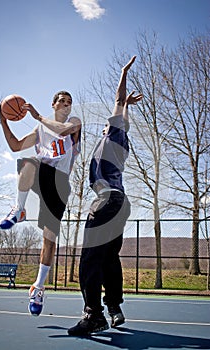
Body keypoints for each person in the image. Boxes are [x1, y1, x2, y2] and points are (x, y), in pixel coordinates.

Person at [68, 56, 143, 336]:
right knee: (109, 258)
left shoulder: (114, 134)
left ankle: (93, 315)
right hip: (119, 204)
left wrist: (123, 75)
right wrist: (126, 110)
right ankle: (114, 307)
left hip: (107, 201)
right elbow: (123, 112)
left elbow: (119, 101)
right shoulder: (117, 141)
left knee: (89, 259)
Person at [0, 91, 81, 316]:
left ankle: (38, 287)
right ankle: (18, 209)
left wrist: (37, 116)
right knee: (28, 163)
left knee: (50, 240)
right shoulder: (40, 130)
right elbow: (15, 146)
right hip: (42, 172)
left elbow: (62, 130)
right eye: (62, 101)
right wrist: (4, 121)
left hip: (60, 183)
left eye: (69, 102)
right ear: (53, 104)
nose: (66, 105)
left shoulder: (74, 123)